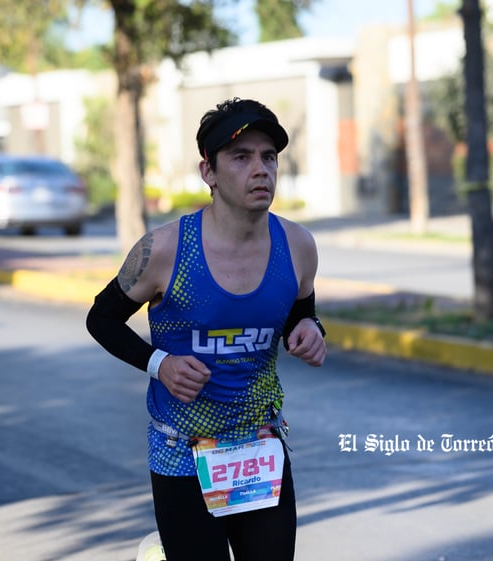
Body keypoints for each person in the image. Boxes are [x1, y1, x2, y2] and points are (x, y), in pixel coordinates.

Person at [86, 97, 327, 561]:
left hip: (260, 446)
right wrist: (160, 364)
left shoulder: (297, 246)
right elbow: (101, 318)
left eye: (269, 157)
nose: (261, 169)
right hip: (182, 453)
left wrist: (311, 329)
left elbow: (303, 310)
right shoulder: (164, 250)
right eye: (241, 157)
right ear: (208, 172)